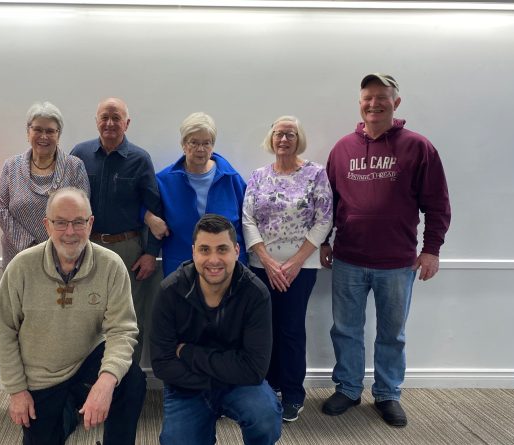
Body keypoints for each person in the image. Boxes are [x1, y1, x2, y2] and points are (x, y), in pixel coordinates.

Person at [320, 73, 451, 427]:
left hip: (397, 262)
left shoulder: (418, 147)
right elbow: (327, 202)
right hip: (348, 258)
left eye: (382, 97)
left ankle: (388, 393)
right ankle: (348, 388)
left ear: (396, 102)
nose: (374, 103)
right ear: (359, 103)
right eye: (367, 97)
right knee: (345, 329)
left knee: (392, 333)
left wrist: (432, 249)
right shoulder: (343, 148)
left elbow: (437, 204)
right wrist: (324, 241)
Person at [0, 187, 146, 445]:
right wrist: (17, 391)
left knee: (132, 380)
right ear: (47, 225)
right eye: (61, 222)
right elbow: (6, 331)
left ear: (90, 223)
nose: (70, 232)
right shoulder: (20, 267)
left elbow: (122, 330)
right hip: (41, 374)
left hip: (86, 358)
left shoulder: (111, 265)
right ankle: (68, 412)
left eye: (78, 222)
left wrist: (106, 382)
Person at [151, 214, 282, 445]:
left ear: (236, 250)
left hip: (239, 384)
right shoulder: (170, 291)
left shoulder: (255, 294)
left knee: (265, 418)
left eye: (222, 249)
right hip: (188, 385)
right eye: (204, 250)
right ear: (193, 252)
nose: (214, 259)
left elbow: (255, 369)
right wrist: (217, 376)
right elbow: (162, 363)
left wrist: (187, 353)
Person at [242, 115, 333, 422]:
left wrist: (294, 262)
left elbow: (324, 219)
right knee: (263, 329)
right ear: (271, 138)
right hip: (261, 266)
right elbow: (247, 219)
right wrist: (267, 262)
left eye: (290, 135)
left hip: (301, 267)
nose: (283, 139)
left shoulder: (315, 174)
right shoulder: (258, 176)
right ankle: (267, 389)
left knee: (291, 330)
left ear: (298, 139)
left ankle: (293, 393)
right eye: (278, 134)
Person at [70, 97, 163, 363]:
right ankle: (91, 381)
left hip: (128, 249)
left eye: (116, 117)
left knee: (129, 317)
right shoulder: (79, 155)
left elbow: (155, 210)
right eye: (104, 117)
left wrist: (150, 254)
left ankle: (127, 381)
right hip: (87, 249)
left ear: (127, 123)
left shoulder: (140, 159)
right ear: (96, 120)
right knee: (88, 315)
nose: (110, 123)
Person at [147, 112, 247, 277]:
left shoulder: (231, 178)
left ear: (213, 145)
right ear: (183, 144)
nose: (200, 149)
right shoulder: (164, 180)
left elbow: (247, 221)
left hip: (225, 267)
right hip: (180, 267)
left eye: (206, 143)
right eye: (194, 142)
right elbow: (141, 204)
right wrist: (149, 217)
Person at [0, 101, 90, 269]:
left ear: (58, 135)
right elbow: (1, 209)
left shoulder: (75, 167)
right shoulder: (11, 166)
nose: (43, 136)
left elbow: (82, 213)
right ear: (28, 132)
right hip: (18, 256)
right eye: (37, 129)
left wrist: (54, 249)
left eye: (50, 131)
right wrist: (30, 246)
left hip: (63, 257)